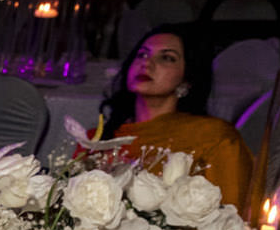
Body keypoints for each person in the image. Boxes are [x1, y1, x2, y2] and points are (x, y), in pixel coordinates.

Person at [94, 25, 254, 214]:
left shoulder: (214, 137)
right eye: (142, 55)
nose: (147, 64)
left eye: (167, 58)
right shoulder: (98, 139)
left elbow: (229, 214)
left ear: (187, 79)